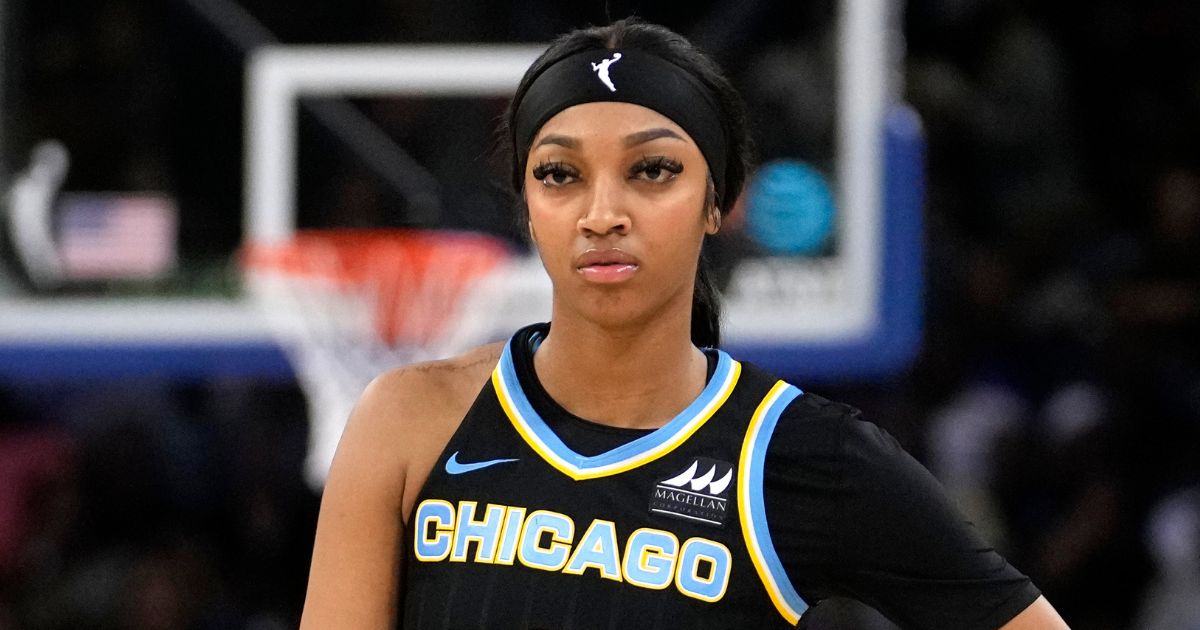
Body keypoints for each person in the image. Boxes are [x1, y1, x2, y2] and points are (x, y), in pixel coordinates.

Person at [299, 18, 1071, 629]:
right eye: (560, 174)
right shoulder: (408, 420)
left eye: (652, 170)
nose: (603, 214)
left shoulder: (800, 454)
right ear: (528, 208)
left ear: (716, 203)